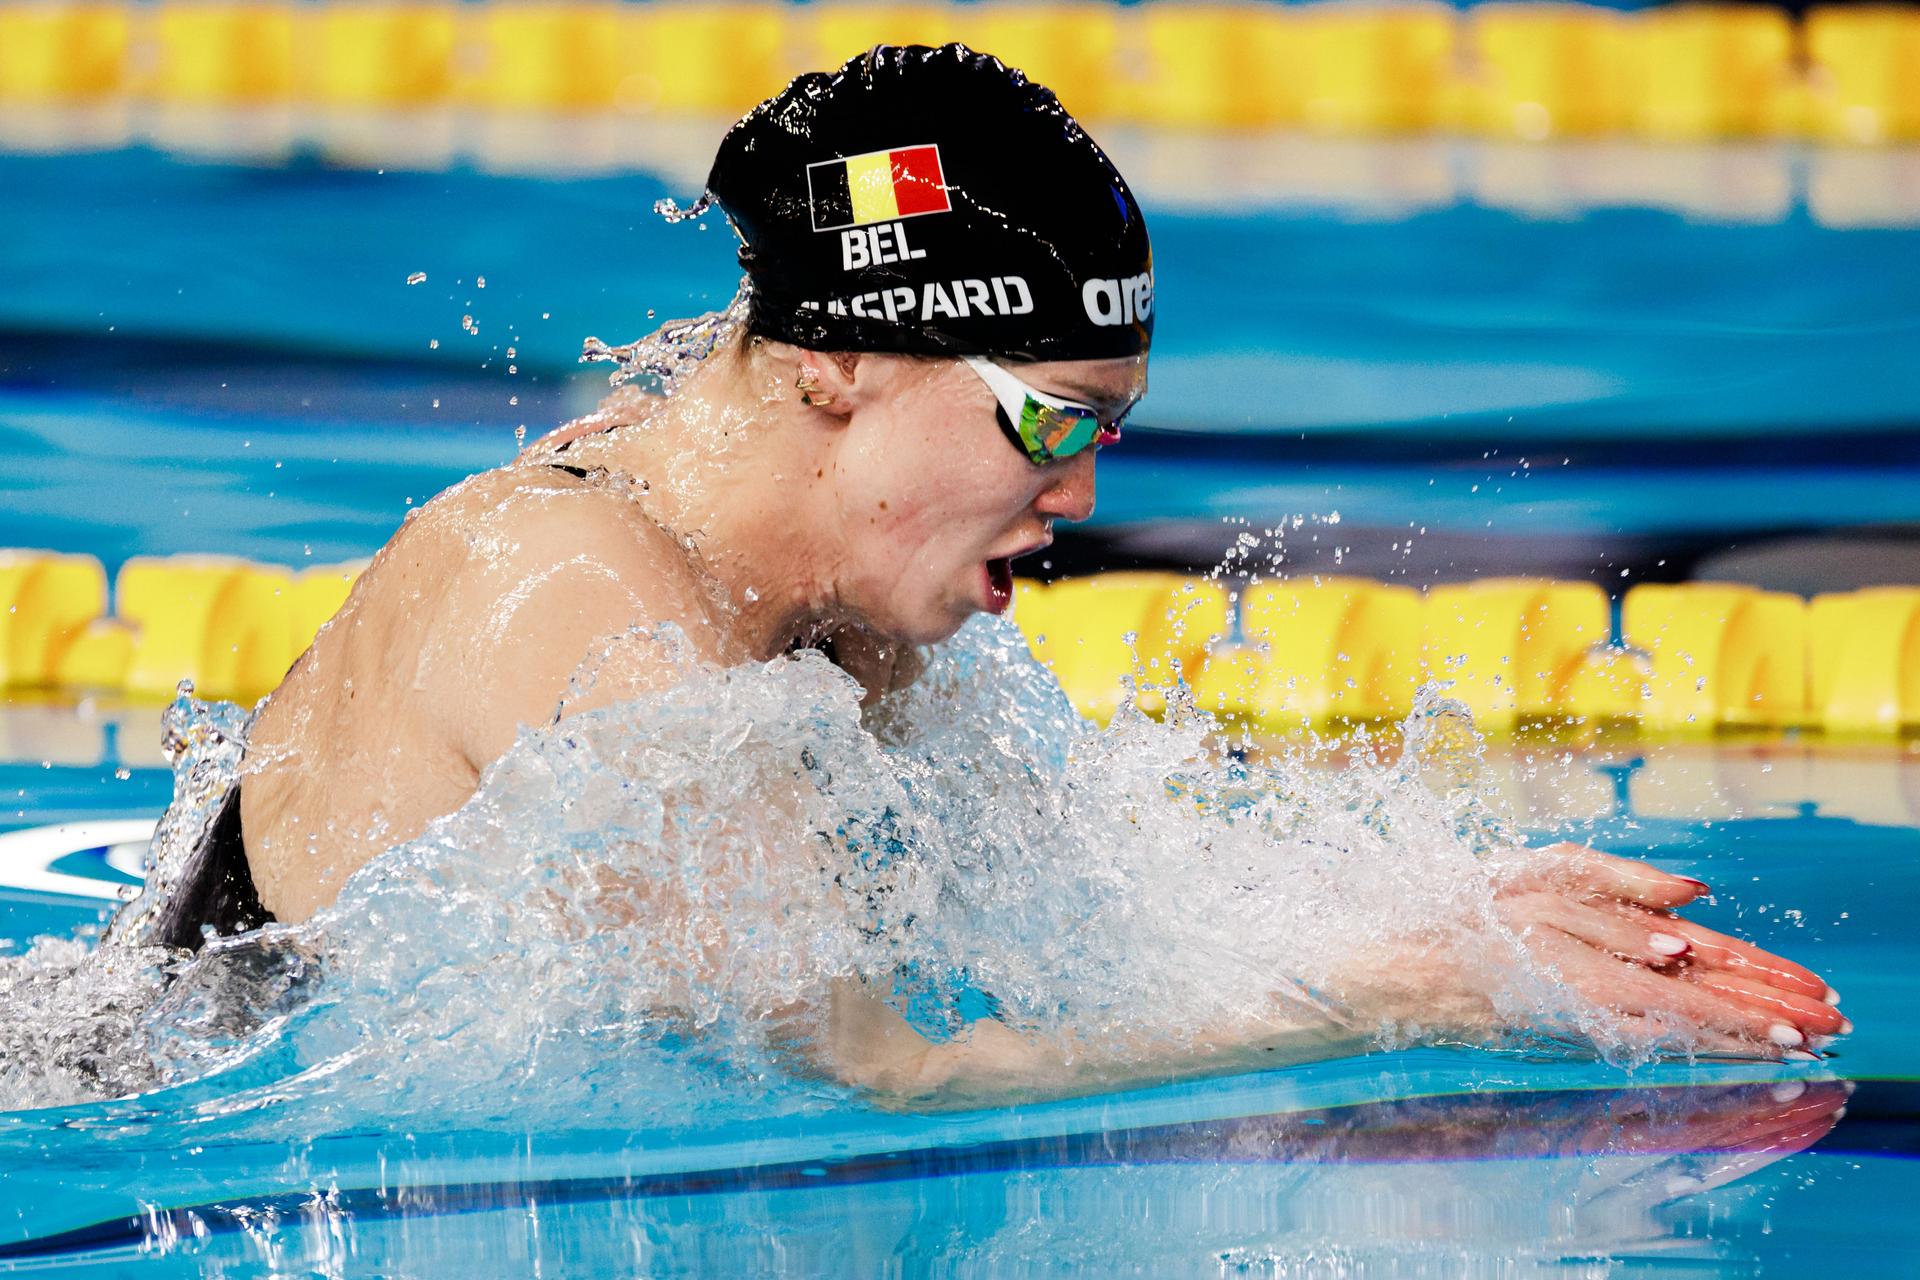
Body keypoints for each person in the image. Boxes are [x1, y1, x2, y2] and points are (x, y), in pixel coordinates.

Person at [140, 45, 1845, 1104]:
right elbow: (876, 1067)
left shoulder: (830, 598)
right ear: (836, 366)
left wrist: (1447, 921)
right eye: (1049, 422)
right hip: (143, 1085)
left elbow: (1072, 934)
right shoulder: (578, 590)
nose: (1083, 493)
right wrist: (1407, 998)